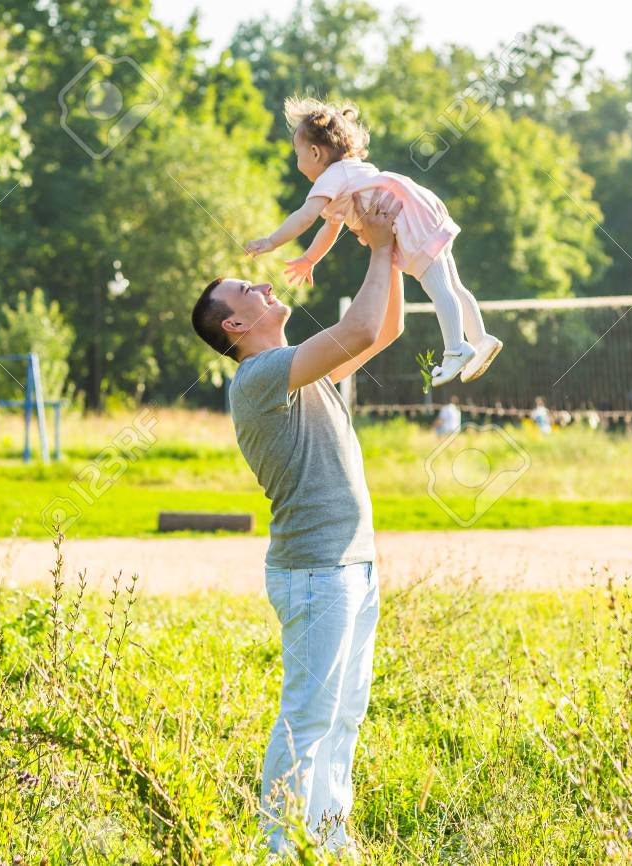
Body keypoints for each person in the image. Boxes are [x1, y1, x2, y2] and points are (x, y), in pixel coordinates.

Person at [190, 192, 404, 855]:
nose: (263, 284)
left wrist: (393, 253)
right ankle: (279, 849)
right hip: (315, 573)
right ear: (235, 325)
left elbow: (385, 330)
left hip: (351, 566)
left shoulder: (301, 372)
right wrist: (377, 246)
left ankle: (330, 842)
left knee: (343, 716)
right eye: (246, 290)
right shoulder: (259, 377)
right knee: (307, 720)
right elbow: (360, 331)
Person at [243, 96, 502, 388]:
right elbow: (330, 228)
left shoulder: (330, 178)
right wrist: (310, 258)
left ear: (314, 152)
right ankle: (481, 339)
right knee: (453, 285)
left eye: (297, 153)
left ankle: (456, 349)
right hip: (418, 213)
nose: (297, 161)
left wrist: (272, 241)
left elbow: (305, 217)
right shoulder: (348, 171)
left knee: (438, 287)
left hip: (409, 225)